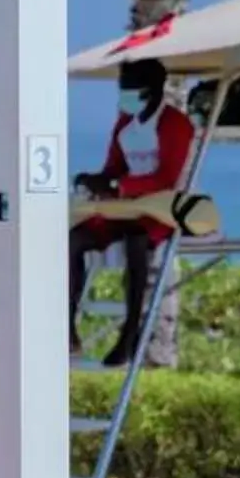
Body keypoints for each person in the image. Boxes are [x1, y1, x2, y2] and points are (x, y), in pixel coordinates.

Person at [69, 57, 196, 366]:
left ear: (151, 91)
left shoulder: (175, 126)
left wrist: (121, 184)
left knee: (136, 241)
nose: (124, 96)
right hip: (126, 205)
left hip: (160, 209)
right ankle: (67, 326)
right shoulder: (126, 124)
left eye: (129, 89)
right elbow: (114, 166)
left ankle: (130, 333)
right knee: (75, 240)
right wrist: (98, 180)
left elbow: (166, 177)